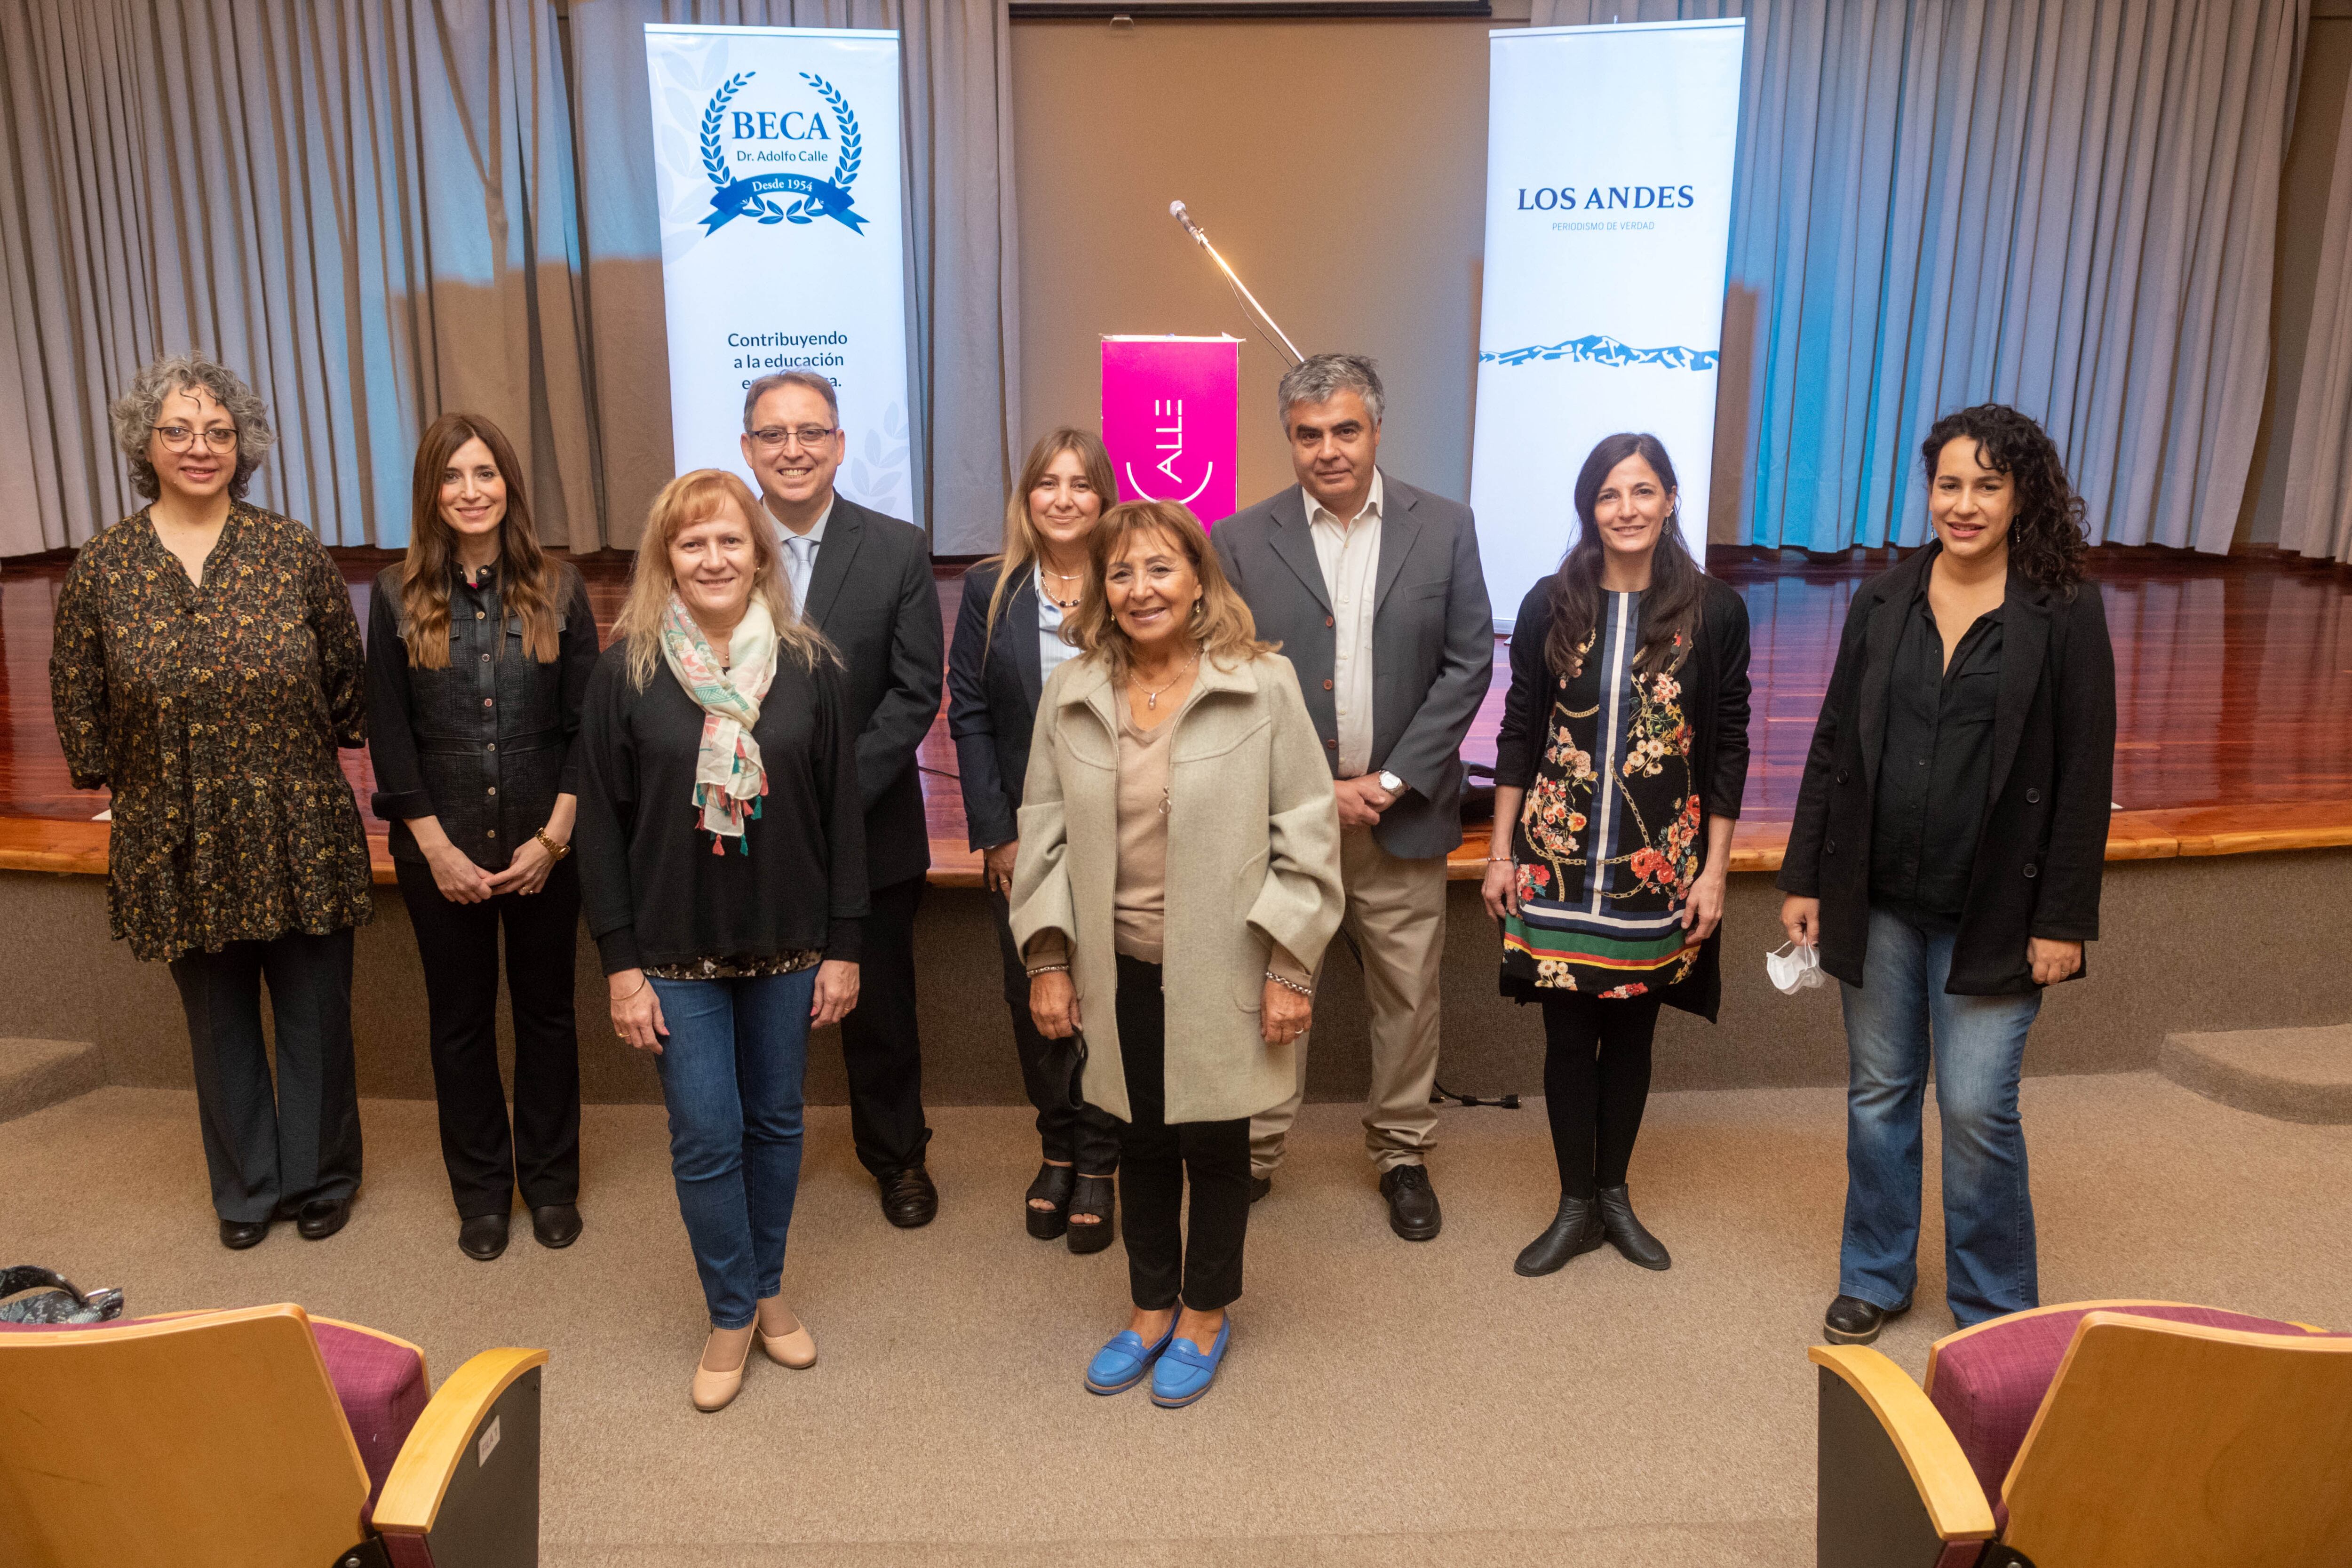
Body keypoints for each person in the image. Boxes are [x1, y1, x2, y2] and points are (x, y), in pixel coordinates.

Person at [1779, 403, 2114, 1345]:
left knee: (1975, 1106)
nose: (1962, 505)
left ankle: (1995, 1305)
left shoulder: (2063, 609)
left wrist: (2063, 918)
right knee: (1879, 1090)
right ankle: (1876, 1272)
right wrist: (1805, 875)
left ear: (2022, 496)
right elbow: (1835, 743)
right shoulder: (1882, 600)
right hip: (1877, 899)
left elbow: (2086, 769)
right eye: (1948, 484)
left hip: (1998, 911)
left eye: (1986, 486)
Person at [1012, 500, 1344, 1409]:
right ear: (1101, 589)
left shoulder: (1260, 685)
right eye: (1120, 573)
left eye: (1160, 568)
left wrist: (1289, 966)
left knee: (1217, 1143)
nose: (1140, 588)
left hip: (1227, 965)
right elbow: (1040, 833)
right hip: (1116, 967)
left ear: (1199, 576)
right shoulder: (1072, 691)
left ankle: (1205, 1313)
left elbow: (1307, 835)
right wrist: (1048, 957)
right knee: (1139, 1139)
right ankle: (1151, 1306)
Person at [50, 351, 373, 1250]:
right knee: (219, 1019)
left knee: (315, 1013)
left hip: (298, 820)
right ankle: (247, 1186)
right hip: (175, 832)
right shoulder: (103, 567)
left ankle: (320, 1178)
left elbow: (349, 686)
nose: (201, 447)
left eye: (220, 432)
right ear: (144, 445)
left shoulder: (291, 549)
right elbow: (79, 703)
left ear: (246, 446)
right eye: (179, 431)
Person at [576, 469, 866, 1411]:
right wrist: (622, 965)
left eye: (730, 540)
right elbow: (601, 830)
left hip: (788, 940)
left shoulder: (810, 665)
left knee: (778, 1122)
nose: (712, 558)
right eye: (692, 542)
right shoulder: (625, 672)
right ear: (668, 557)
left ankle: (770, 1284)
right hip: (671, 947)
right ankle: (731, 1307)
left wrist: (845, 943)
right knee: (706, 1133)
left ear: (759, 553)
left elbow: (840, 817)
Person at [1212, 354, 1494, 1242]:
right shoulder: (1238, 538)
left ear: (1376, 430)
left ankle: (1402, 1151)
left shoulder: (1445, 527)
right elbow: (1229, 669)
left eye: (1345, 430)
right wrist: (1312, 786)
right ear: (1287, 439)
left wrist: (1391, 778)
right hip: (1286, 818)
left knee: (1408, 996)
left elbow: (1468, 661)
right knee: (1270, 986)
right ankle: (1255, 1152)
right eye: (1308, 435)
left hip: (1402, 814)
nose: (1327, 450)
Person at [1483, 433, 1751, 1277]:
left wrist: (1713, 870)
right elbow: (1520, 731)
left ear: (1671, 499)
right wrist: (1498, 854)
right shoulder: (1548, 604)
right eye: (1608, 494)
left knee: (1631, 1038)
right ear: (1588, 507)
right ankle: (1572, 1205)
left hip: (1656, 870)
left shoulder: (1713, 611)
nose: (1626, 509)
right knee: (1568, 1039)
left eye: (1642, 491)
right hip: (1558, 864)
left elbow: (1729, 743)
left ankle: (1615, 1196)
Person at [365, 412, 599, 1261]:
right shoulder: (394, 596)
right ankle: (481, 1194)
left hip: (548, 844)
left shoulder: (562, 588)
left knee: (546, 1016)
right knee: (459, 1022)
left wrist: (554, 840)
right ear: (432, 492)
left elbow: (588, 730)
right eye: (454, 477)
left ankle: (550, 1183)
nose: (472, 491)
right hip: (442, 851)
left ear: (510, 486)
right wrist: (435, 849)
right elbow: (388, 735)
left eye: (487, 474)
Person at [739, 371, 945, 1228]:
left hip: (870, 826)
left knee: (883, 1009)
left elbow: (913, 691)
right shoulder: (715, 542)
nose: (794, 450)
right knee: (751, 1005)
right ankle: (752, 1157)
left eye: (811, 432)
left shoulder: (897, 547)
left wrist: (830, 797)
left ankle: (898, 1156)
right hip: (740, 827)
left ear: (840, 444)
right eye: (774, 434)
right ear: (748, 448)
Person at [947, 428, 1124, 1250]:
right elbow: (971, 714)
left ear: (1104, 497)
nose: (1064, 498)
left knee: (1107, 995)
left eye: (1081, 484)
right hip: (1025, 833)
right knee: (1034, 998)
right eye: (1048, 483)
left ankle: (1101, 1156)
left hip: (1124, 828)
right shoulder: (993, 589)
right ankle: (1056, 1144)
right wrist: (996, 834)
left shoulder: (1133, 578)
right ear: (1027, 498)